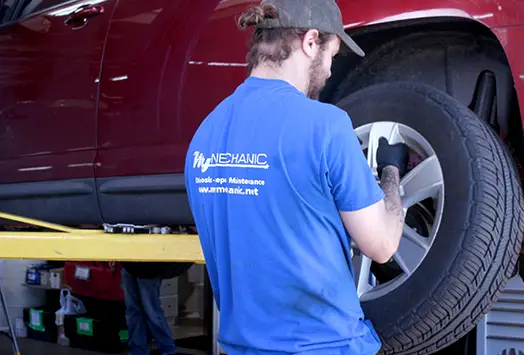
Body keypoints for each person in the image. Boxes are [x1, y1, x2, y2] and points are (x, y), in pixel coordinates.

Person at [183, 0, 408, 354]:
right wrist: (392, 176)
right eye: (332, 55)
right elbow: (381, 245)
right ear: (310, 41)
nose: (331, 72)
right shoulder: (326, 126)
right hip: (326, 346)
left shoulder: (204, 137)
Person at [121, 266, 177, 355]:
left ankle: (167, 348)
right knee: (133, 310)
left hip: (148, 267)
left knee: (151, 311)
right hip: (129, 265)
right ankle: (138, 350)